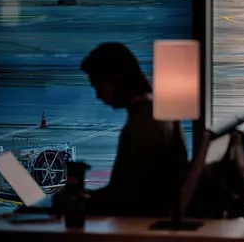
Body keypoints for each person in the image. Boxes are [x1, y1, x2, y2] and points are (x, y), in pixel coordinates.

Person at [75, 42, 188, 217]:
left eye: (98, 85)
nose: (98, 95)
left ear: (116, 79)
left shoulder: (142, 125)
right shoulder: (158, 110)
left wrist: (81, 201)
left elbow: (128, 198)